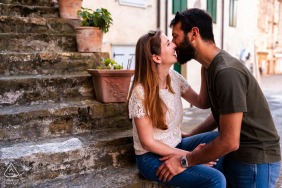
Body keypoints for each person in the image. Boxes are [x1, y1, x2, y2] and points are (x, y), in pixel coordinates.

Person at [156, 8, 281, 188]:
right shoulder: (208, 67)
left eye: (175, 36)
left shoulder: (227, 72)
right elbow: (212, 107)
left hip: (256, 161)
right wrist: (192, 135)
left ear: (194, 33)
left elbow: (230, 141)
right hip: (238, 156)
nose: (174, 44)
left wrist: (184, 161)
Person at [127, 30, 226, 188]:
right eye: (168, 43)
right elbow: (148, 143)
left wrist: (205, 67)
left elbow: (202, 102)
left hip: (177, 144)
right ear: (156, 57)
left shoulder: (174, 77)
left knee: (221, 139)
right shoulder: (140, 92)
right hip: (151, 158)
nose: (174, 44)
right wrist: (192, 156)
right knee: (215, 180)